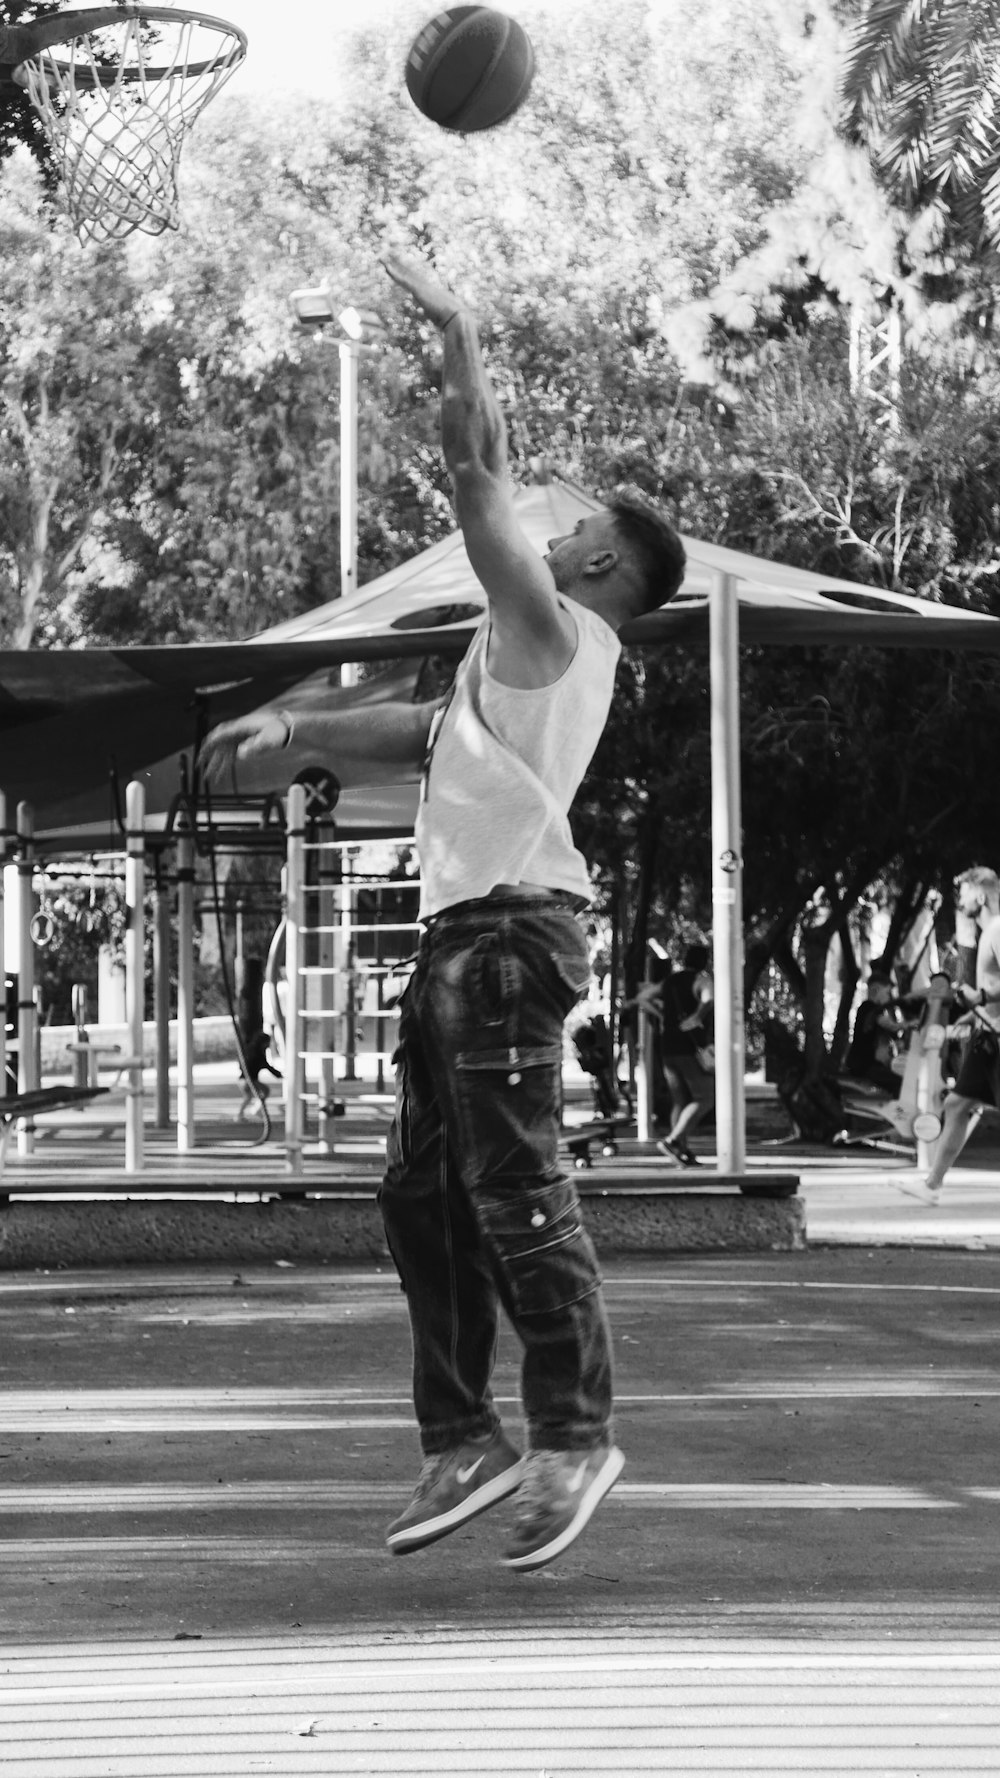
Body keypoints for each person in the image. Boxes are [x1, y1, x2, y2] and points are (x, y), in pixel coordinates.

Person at [199, 251, 687, 1571]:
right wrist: (295, 729)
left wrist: (463, 334)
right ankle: (462, 1437)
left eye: (570, 519)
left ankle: (574, 1432)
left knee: (512, 1182)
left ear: (593, 559)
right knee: (421, 1194)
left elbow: (477, 475)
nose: (550, 514)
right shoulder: (517, 661)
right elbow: (425, 728)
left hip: (507, 941)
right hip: (466, 938)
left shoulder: (563, 630)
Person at [916, 867, 1000, 1203]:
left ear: (981, 896)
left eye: (964, 893)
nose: (960, 899)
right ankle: (933, 1184)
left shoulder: (997, 929)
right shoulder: (988, 932)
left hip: (996, 1039)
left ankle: (933, 1182)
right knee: (956, 1103)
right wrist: (970, 1014)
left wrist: (980, 997)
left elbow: (990, 991)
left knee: (959, 1104)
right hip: (985, 1037)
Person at [634, 943, 715, 1165]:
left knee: (680, 1100)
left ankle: (681, 1150)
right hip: (689, 1045)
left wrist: (660, 1015)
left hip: (667, 1045)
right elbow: (709, 998)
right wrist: (697, 1017)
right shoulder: (702, 980)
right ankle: (672, 1140)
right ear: (704, 962)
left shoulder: (670, 981)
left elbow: (643, 998)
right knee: (705, 1097)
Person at [844, 964, 905, 1097]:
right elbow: (891, 1026)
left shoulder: (872, 1011)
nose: (889, 998)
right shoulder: (868, 1007)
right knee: (900, 1084)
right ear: (876, 990)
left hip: (866, 1064)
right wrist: (911, 1024)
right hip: (864, 1065)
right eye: (887, 993)